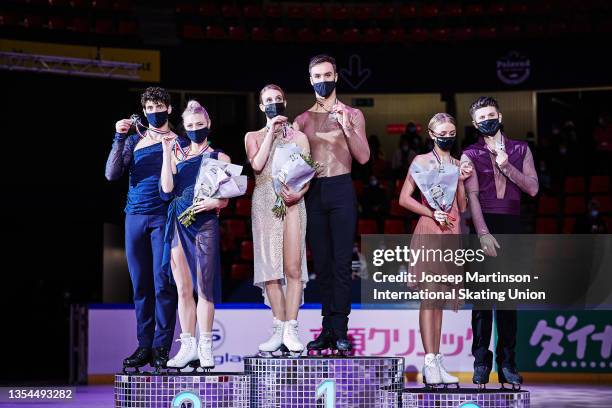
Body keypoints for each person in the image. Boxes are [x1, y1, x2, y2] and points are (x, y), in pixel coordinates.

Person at [293, 54, 370, 354]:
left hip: (341, 188)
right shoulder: (301, 120)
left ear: (336, 77)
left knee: (341, 264)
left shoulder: (353, 114)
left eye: (328, 76)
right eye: (317, 76)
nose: (323, 81)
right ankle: (326, 329)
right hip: (314, 192)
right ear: (310, 80)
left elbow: (363, 157)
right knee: (322, 265)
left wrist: (346, 127)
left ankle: (340, 329)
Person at [461, 96, 539, 389]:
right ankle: (481, 363)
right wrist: (482, 232)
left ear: (500, 115)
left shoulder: (521, 149)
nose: (486, 121)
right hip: (483, 228)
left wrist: (508, 167)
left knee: (508, 302)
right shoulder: (470, 153)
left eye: (490, 115)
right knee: (482, 303)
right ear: (475, 123)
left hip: (512, 227)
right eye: (481, 118)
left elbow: (532, 188)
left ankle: (507, 365)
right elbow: (472, 197)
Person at [105, 87, 179, 372]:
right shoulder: (134, 139)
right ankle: (144, 345)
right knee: (140, 286)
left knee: (163, 284)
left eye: (159, 105)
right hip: (134, 218)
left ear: (168, 109)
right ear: (143, 110)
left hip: (163, 218)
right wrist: (119, 136)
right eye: (148, 106)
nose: (153, 111)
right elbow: (112, 174)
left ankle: (162, 347)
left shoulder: (180, 142)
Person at [399, 113, 471, 386]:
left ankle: (437, 360)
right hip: (430, 231)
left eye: (452, 132)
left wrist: (462, 179)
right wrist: (430, 212)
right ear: (431, 134)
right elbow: (404, 198)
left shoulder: (457, 163)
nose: (447, 136)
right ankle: (429, 362)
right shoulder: (421, 162)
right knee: (429, 299)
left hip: (451, 234)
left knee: (438, 302)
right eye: (442, 132)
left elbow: (462, 207)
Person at [160, 100, 231, 370]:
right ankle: (187, 346)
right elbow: (167, 189)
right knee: (183, 288)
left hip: (204, 224)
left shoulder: (220, 157)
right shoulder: (178, 154)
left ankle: (205, 347)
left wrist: (214, 203)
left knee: (204, 287)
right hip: (178, 221)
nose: (194, 129)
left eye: (199, 125)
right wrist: (167, 154)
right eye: (189, 126)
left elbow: (224, 199)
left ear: (208, 124)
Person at [244, 84, 311, 357]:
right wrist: (271, 131)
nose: (273, 103)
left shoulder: (300, 138)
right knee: (270, 270)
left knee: (293, 268)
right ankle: (278, 327)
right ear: (262, 107)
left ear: (285, 102)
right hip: (264, 204)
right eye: (268, 100)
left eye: (278, 99)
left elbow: (308, 175)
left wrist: (298, 193)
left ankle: (292, 328)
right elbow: (257, 165)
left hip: (294, 202)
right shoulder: (253, 136)